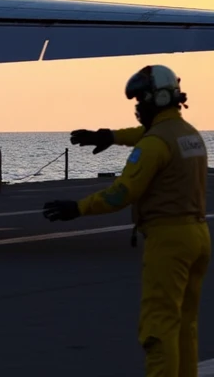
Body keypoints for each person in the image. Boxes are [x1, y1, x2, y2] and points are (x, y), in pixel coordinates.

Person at [46, 65, 209, 377]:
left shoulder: (154, 144)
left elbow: (121, 194)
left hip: (168, 241)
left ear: (157, 99)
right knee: (185, 326)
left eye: (140, 101)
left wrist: (78, 208)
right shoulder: (188, 134)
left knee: (158, 328)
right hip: (198, 236)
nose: (137, 108)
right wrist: (110, 135)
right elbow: (150, 134)